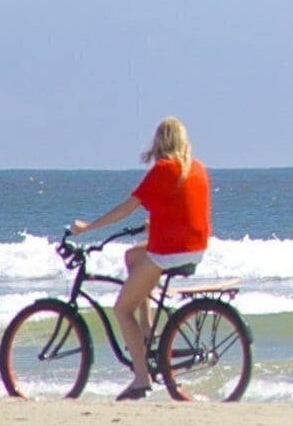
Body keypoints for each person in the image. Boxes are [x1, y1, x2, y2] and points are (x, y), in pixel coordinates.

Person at [66, 117, 212, 400]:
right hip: (194, 248)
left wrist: (89, 227)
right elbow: (185, 207)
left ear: (160, 142)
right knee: (132, 256)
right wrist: (155, 224)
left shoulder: (163, 170)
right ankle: (146, 330)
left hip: (169, 253)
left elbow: (126, 209)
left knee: (122, 309)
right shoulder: (196, 168)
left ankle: (141, 379)